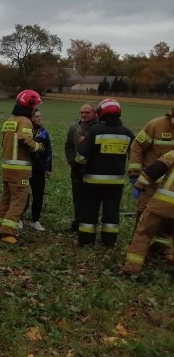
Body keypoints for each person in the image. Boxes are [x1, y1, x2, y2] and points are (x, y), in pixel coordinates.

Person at [74, 98, 134, 248]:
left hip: (92, 181)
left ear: (101, 112)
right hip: (116, 183)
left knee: (89, 211)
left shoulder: (95, 130)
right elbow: (135, 154)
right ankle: (109, 241)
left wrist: (77, 168)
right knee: (111, 212)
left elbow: (81, 157)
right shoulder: (127, 133)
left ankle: (86, 240)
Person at [0, 90, 44, 244]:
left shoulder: (9, 120)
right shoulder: (25, 121)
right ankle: (8, 233)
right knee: (19, 201)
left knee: (6, 198)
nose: (36, 109)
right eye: (35, 106)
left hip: (7, 167)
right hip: (19, 170)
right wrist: (38, 147)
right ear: (30, 106)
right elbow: (25, 139)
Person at [121, 150, 174, 275]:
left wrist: (140, 184)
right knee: (167, 234)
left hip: (163, 203)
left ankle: (132, 268)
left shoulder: (172, 155)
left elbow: (156, 169)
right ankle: (166, 257)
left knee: (144, 233)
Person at [127, 106, 174, 222]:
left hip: (171, 189)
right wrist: (134, 174)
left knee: (167, 223)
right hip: (151, 185)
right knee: (144, 217)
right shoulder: (156, 125)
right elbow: (137, 148)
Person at [64, 103, 98, 231]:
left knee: (91, 198)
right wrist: (72, 161)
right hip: (77, 168)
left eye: (87, 112)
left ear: (94, 113)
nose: (83, 115)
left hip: (93, 168)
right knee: (77, 196)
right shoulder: (75, 126)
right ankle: (77, 221)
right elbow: (68, 145)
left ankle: (88, 223)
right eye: (82, 112)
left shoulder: (100, 127)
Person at [21, 109, 53, 232]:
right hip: (25, 167)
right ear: (31, 118)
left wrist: (48, 168)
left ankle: (35, 220)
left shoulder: (43, 132)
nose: (40, 119)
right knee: (24, 194)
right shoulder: (25, 131)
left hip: (39, 168)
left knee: (38, 195)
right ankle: (20, 218)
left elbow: (48, 150)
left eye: (40, 116)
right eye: (37, 117)